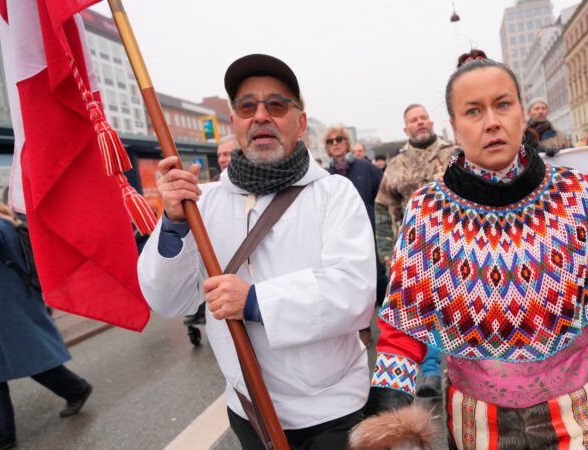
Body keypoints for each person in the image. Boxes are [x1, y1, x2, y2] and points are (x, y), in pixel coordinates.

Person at [350, 57, 588, 450]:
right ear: (454, 126)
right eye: (473, 111)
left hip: (576, 411)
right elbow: (403, 321)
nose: (491, 122)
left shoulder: (570, 194)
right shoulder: (428, 211)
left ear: (521, 111)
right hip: (478, 421)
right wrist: (390, 413)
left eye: (503, 105)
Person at [137, 54, 376, 450]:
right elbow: (167, 300)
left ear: (299, 123)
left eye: (276, 105)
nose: (261, 115)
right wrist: (174, 224)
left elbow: (354, 294)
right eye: (247, 106)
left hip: (329, 411)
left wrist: (253, 301)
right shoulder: (202, 203)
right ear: (234, 124)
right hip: (249, 409)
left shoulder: (334, 193)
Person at [0, 204, 93, 450]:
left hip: (7, 310)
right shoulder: (6, 223)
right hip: (10, 308)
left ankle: (2, 435)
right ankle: (75, 389)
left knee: (5, 367)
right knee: (24, 361)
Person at [374, 103, 455, 398]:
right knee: (426, 310)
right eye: (413, 120)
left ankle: (469, 371)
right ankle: (432, 372)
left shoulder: (455, 154)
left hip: (457, 246)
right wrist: (386, 252)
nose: (419, 123)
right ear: (405, 128)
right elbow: (384, 210)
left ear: (431, 122)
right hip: (414, 251)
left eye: (423, 118)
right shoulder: (396, 166)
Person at [323, 125, 386, 343]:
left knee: (379, 278)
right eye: (330, 141)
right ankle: (363, 328)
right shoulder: (325, 176)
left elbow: (384, 197)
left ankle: (393, 328)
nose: (335, 144)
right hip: (341, 237)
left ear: (347, 142)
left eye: (339, 139)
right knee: (352, 282)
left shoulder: (366, 168)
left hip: (373, 233)